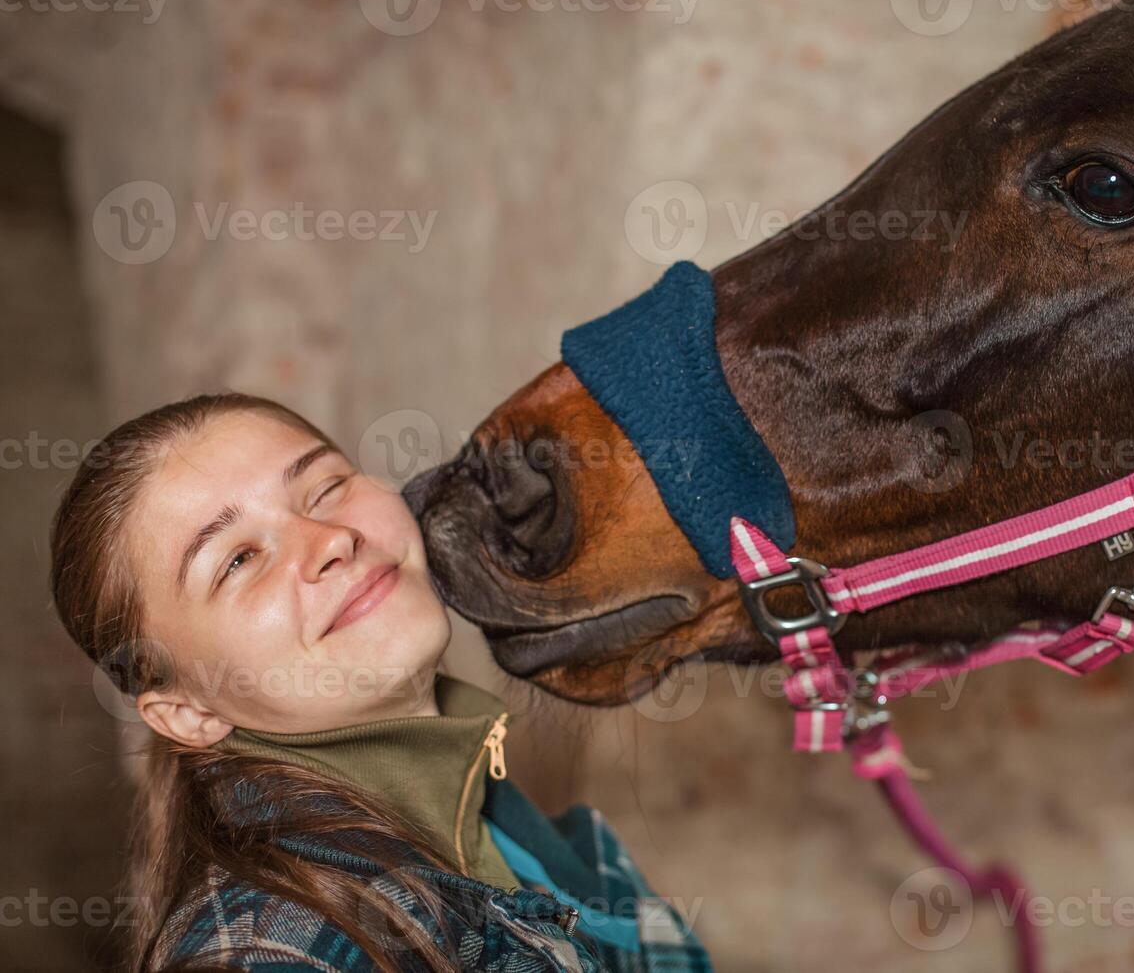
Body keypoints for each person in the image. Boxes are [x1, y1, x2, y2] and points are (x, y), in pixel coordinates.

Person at [49, 393, 709, 972]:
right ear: (187, 712)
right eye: (239, 559)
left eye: (326, 487)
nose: (332, 538)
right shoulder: (272, 954)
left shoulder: (516, 831)